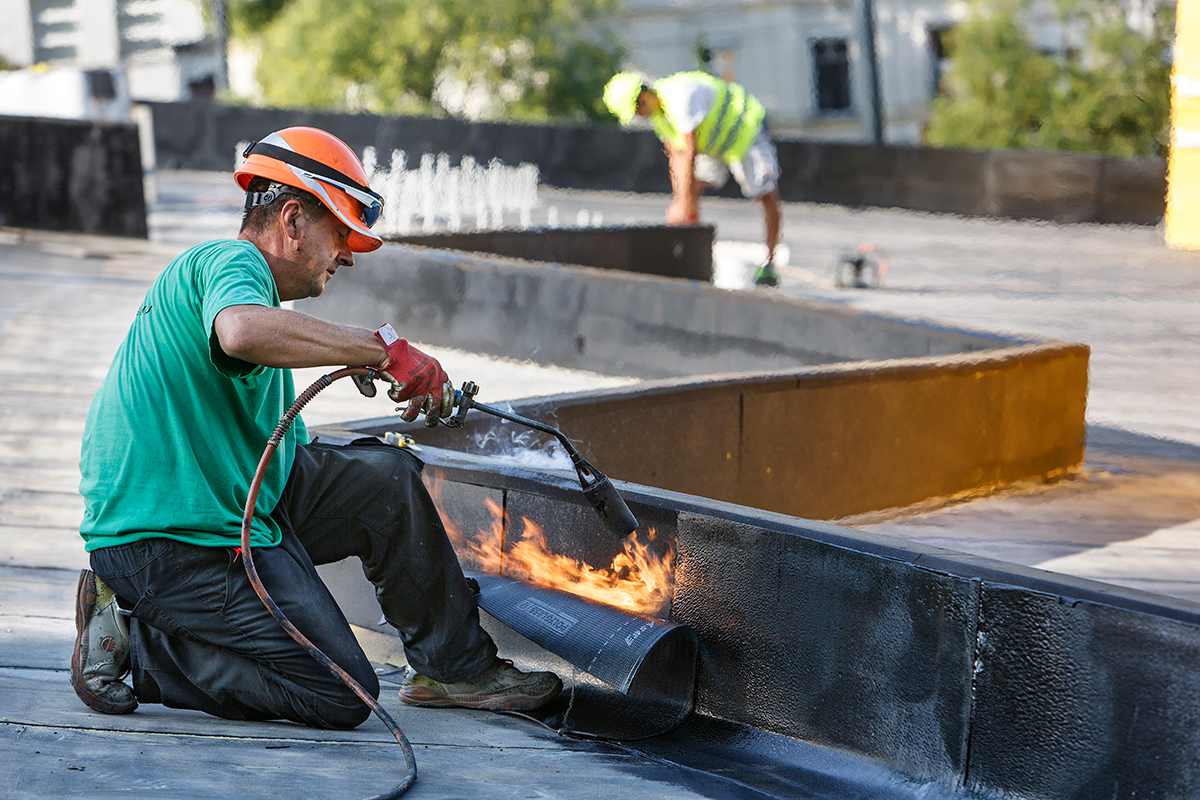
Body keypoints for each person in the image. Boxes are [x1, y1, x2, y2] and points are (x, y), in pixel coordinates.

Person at [70, 126, 562, 728]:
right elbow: (240, 333)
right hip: (165, 544)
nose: (349, 256)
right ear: (294, 219)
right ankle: (135, 638)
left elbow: (284, 445)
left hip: (230, 510)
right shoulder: (227, 262)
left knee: (385, 478)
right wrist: (380, 350)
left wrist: (347, 369)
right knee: (344, 693)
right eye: (341, 235)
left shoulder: (267, 305)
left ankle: (453, 668)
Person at [603, 71, 784, 288]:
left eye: (636, 112)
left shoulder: (680, 96)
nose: (639, 117)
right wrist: (679, 202)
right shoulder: (659, 117)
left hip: (744, 128)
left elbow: (689, 152)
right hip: (715, 144)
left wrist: (684, 203)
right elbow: (676, 158)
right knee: (691, 191)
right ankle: (694, 258)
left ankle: (769, 264)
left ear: (644, 98)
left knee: (765, 194)